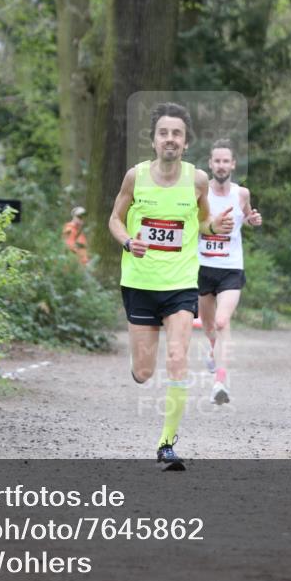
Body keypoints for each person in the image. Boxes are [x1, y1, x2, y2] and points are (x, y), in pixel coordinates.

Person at [109, 102, 234, 470]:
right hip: (140, 281)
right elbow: (114, 219)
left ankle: (166, 444)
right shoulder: (135, 177)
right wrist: (129, 241)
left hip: (180, 284)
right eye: (163, 132)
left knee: (178, 358)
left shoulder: (196, 180)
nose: (170, 139)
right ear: (153, 139)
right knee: (144, 372)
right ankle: (137, 366)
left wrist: (215, 228)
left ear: (185, 141)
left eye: (176, 133)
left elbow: (204, 221)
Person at [197, 139, 262, 405]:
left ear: (233, 164)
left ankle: (219, 383)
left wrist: (252, 219)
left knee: (222, 322)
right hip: (202, 267)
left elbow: (246, 215)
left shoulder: (241, 193)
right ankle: (213, 352)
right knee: (210, 327)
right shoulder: (200, 193)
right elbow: (193, 221)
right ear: (211, 164)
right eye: (217, 161)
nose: (222, 165)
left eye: (226, 161)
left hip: (231, 268)